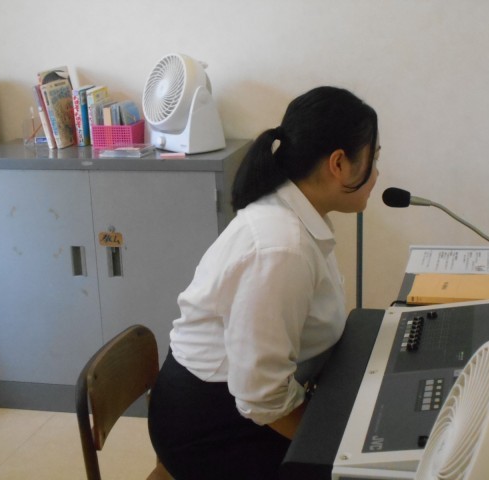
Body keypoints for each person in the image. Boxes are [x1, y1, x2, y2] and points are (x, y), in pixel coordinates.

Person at [148, 86, 380, 479]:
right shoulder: (281, 247)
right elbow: (260, 398)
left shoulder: (297, 215)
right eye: (373, 161)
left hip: (239, 403)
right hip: (210, 426)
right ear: (339, 163)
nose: (376, 175)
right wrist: (334, 448)